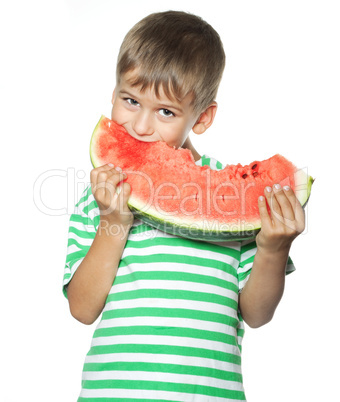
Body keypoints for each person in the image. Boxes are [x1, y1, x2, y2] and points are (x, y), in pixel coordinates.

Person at [63, 10, 305, 401]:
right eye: (130, 100)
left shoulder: (236, 201)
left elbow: (257, 315)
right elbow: (82, 308)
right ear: (112, 95)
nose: (140, 126)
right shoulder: (100, 195)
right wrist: (114, 221)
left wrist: (273, 249)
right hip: (114, 394)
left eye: (165, 112)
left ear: (203, 117)